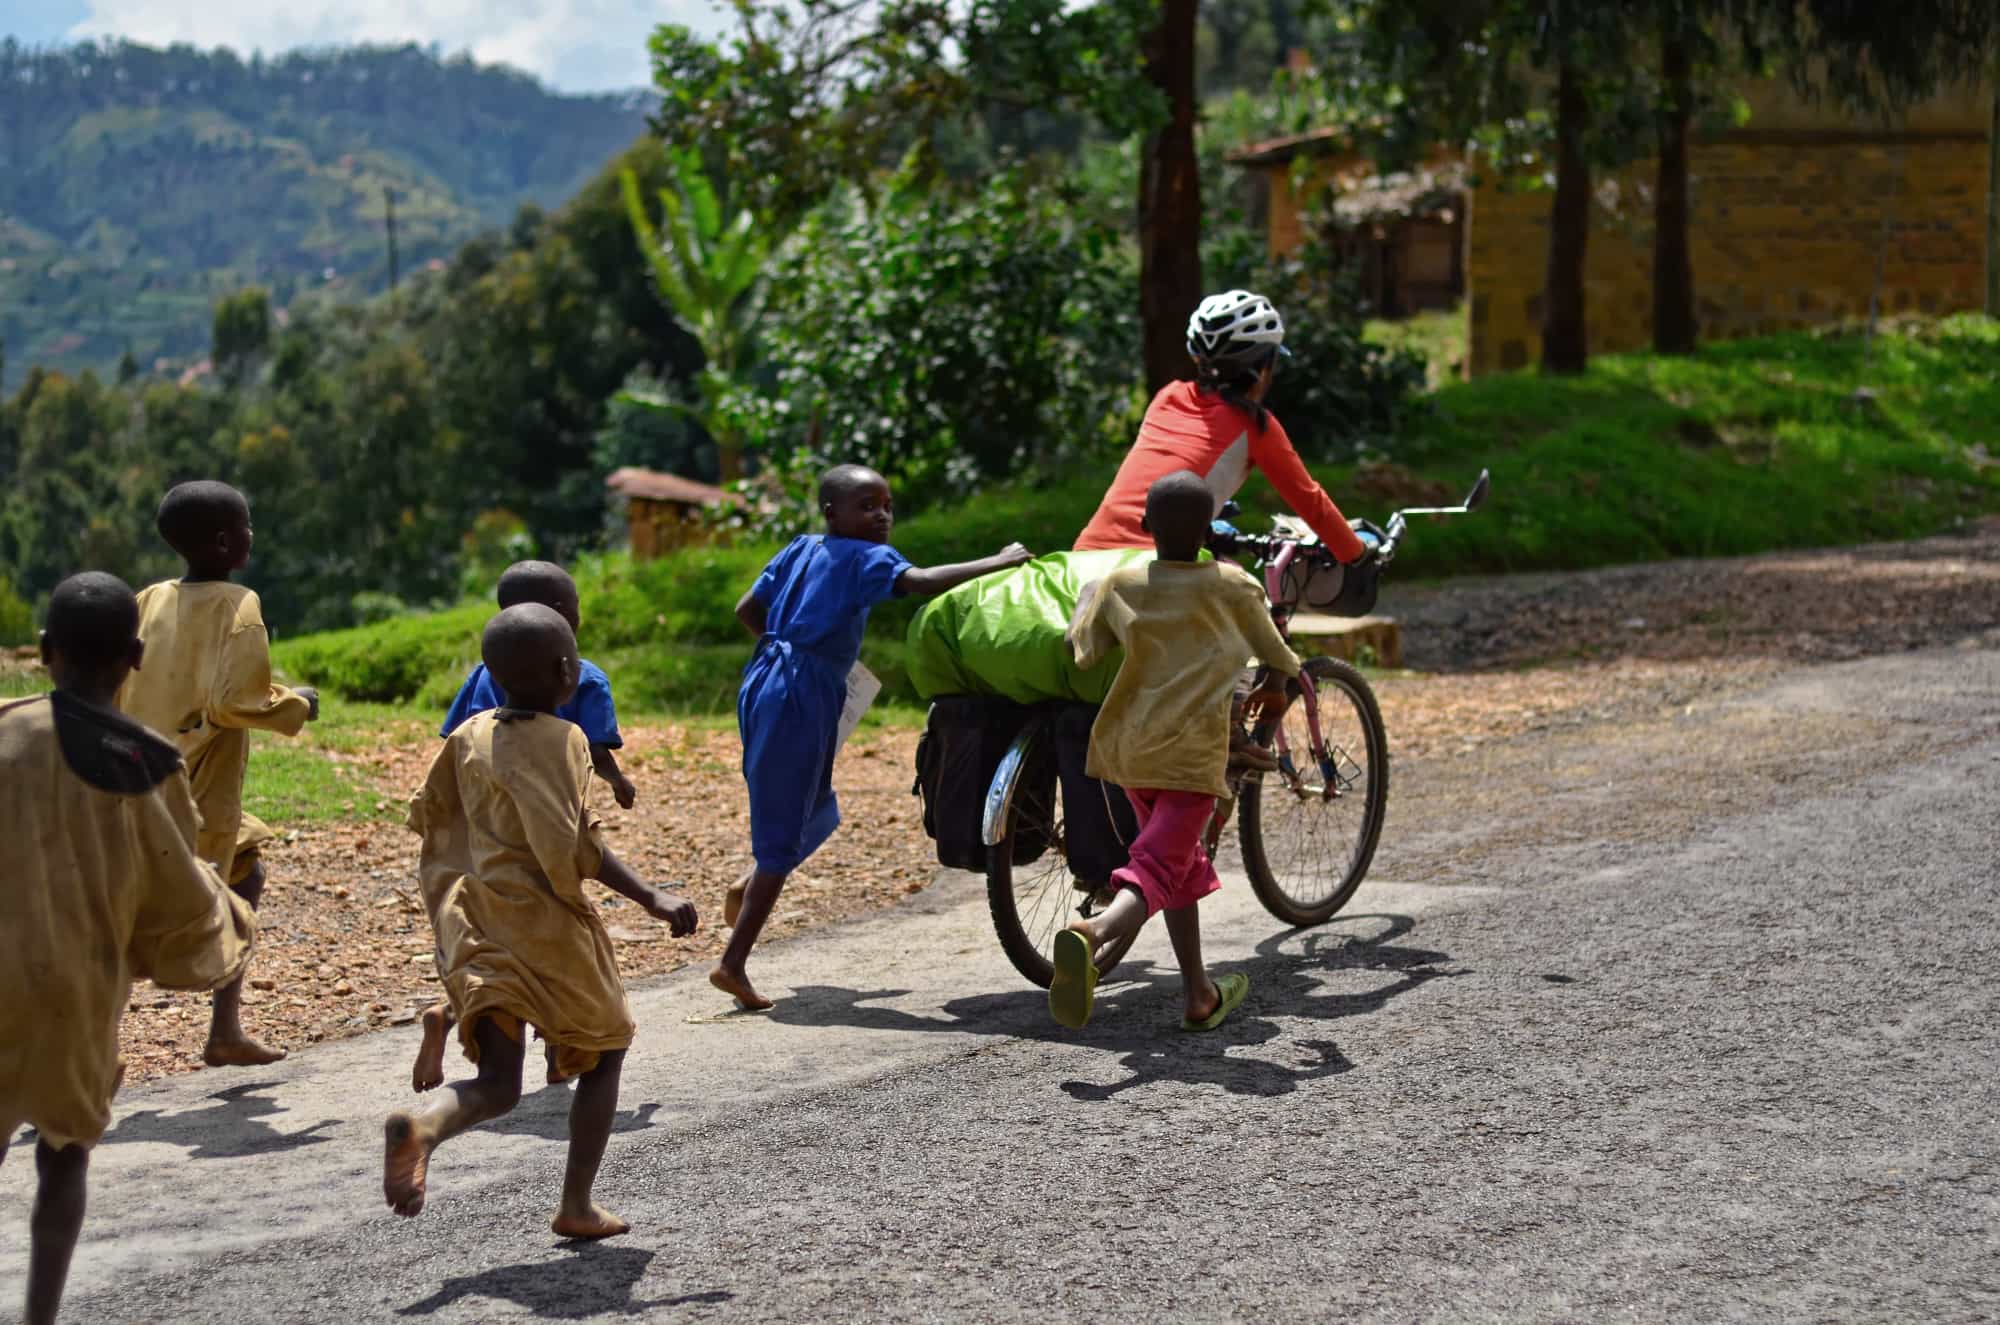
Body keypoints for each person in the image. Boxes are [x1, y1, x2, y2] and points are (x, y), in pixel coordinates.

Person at [383, 603, 697, 1239]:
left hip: (474, 918)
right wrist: (652, 897)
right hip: (543, 924)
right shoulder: (565, 741)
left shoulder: (467, 733)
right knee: (607, 1048)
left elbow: (431, 816)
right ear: (566, 672)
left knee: (498, 1083)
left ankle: (426, 1126)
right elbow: (574, 846)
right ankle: (576, 1204)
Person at [2, 572, 257, 1325]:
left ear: (44, 650)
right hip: (76, 993)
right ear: (135, 657)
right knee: (63, 1152)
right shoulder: (146, 762)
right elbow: (176, 892)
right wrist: (232, 920)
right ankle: (39, 1314)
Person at [715, 464, 1032, 1011]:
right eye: (866, 506)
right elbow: (922, 581)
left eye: (887, 506)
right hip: (799, 693)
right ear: (831, 512)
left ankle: (751, 886)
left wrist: (792, 649)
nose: (881, 516)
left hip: (765, 681)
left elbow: (748, 610)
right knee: (785, 822)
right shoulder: (866, 557)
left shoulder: (801, 548)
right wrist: (1001, 562)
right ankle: (732, 962)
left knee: (816, 807)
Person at [1051, 470, 1303, 1031]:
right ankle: (1092, 933)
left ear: (1146, 525)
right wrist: (1279, 682)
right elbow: (1278, 654)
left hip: (1129, 750)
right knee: (1159, 866)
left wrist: (1088, 600)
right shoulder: (1233, 586)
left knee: (1176, 865)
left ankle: (1198, 994)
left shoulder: (1121, 585)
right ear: (1209, 531)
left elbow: (1082, 652)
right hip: (1189, 757)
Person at [115, 480, 318, 1068]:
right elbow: (236, 701)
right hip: (196, 787)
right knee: (142, 917)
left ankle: (224, 1031)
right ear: (228, 542)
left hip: (137, 778)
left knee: (246, 873)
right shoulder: (239, 606)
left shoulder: (148, 599)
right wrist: (297, 702)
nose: (252, 535)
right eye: (247, 526)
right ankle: (91, 1042)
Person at [414, 559, 635, 1092]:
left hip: (489, 837)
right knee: (557, 947)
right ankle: (563, 1056)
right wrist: (617, 781)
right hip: (549, 831)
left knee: (497, 949)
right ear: (564, 618)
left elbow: (458, 739)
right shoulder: (584, 678)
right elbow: (596, 749)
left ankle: (449, 1014)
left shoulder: (485, 673)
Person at [1074, 289, 1371, 566]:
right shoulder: (1255, 426)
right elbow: (1312, 505)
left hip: (1083, 561)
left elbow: (1163, 472)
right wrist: (1358, 553)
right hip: (1147, 569)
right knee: (1244, 597)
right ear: (1264, 368)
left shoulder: (1167, 397)